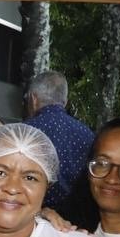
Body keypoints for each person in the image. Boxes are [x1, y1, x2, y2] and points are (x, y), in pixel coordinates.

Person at [22, 70, 94, 210]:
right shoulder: (87, 134)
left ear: (33, 99)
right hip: (78, 216)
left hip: (33, 214)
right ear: (65, 102)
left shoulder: (22, 132)